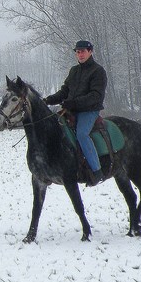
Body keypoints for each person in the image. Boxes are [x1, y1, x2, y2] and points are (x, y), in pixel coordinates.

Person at [44, 40, 108, 186]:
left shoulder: (98, 71)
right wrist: (49, 100)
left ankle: (96, 170)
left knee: (81, 134)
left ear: (90, 51)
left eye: (83, 51)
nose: (80, 54)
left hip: (89, 110)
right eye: (77, 52)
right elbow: (64, 91)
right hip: (72, 110)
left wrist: (73, 103)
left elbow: (96, 96)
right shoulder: (74, 71)